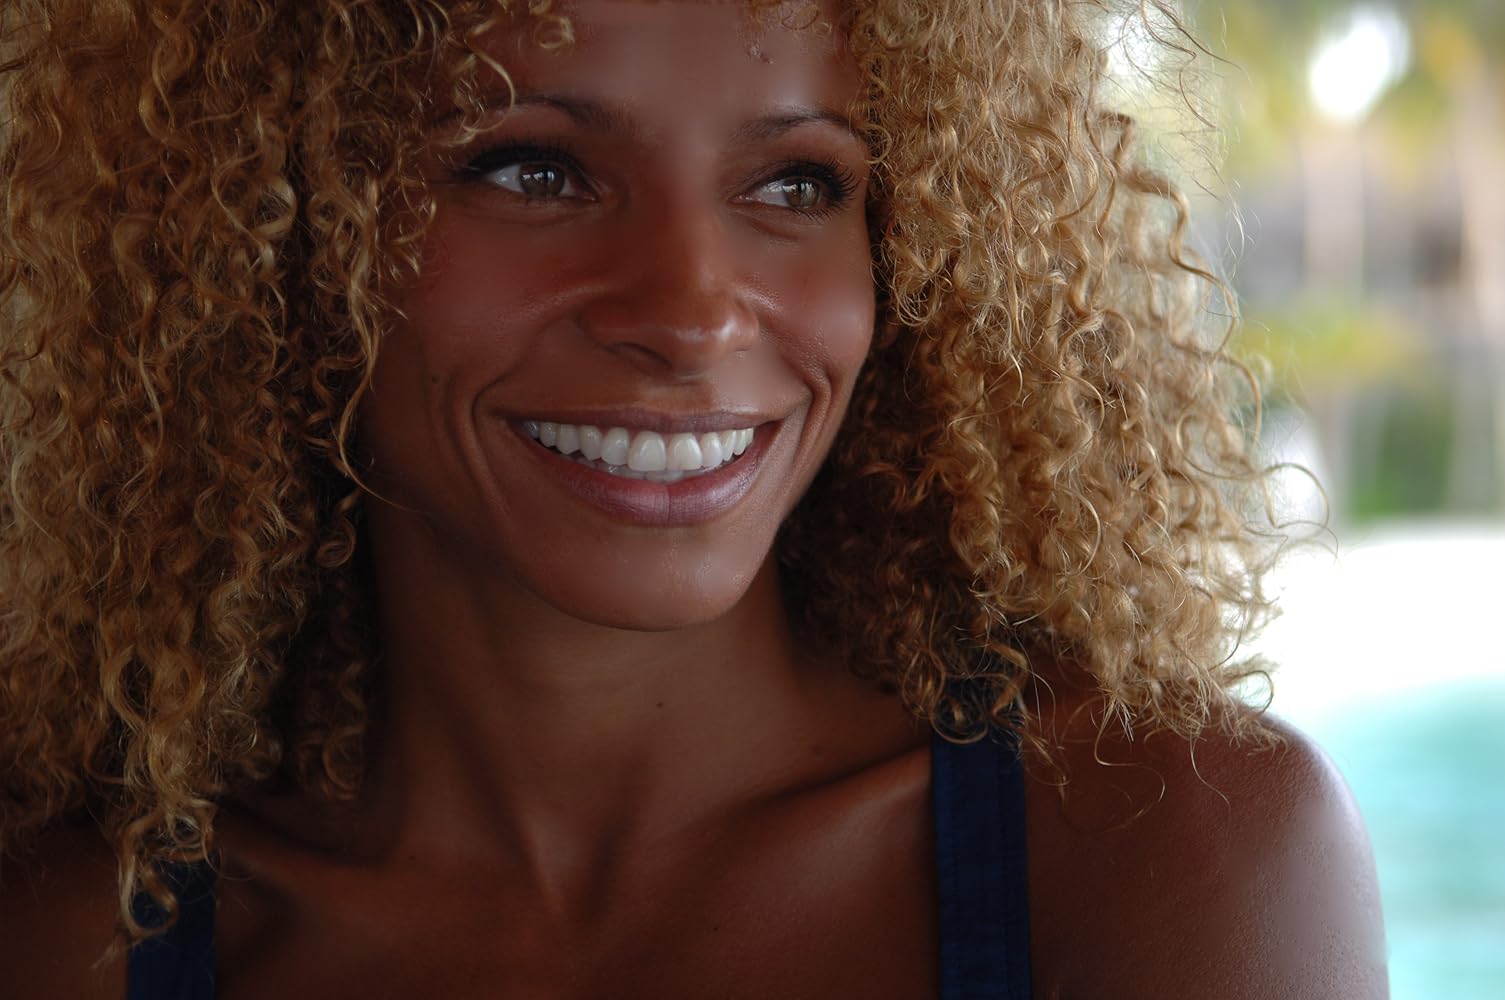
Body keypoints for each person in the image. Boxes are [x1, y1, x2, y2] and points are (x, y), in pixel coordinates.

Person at [0, 0, 1386, 996]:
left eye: (796, 182)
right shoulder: (72, 941)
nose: (690, 313)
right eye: (532, 169)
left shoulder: (1168, 850)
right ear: (273, 229)